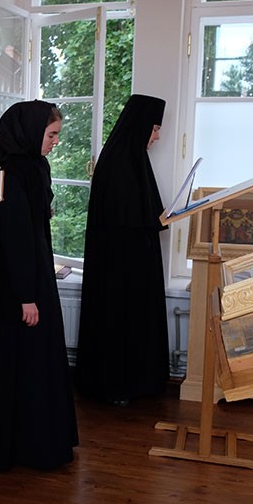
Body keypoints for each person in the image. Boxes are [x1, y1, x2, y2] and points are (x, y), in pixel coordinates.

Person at [0, 100, 78, 471]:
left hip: (31, 273)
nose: (56, 142)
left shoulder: (33, 165)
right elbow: (14, 239)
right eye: (52, 134)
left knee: (31, 361)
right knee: (23, 362)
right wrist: (26, 297)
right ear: (31, 132)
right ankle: (25, 446)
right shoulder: (10, 172)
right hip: (17, 284)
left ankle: (34, 440)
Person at [76, 94, 169, 406]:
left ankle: (137, 383)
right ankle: (117, 385)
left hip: (133, 264)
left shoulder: (133, 159)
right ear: (140, 126)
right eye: (154, 129)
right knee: (119, 324)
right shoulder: (119, 164)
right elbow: (123, 224)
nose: (157, 136)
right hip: (119, 269)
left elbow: (143, 214)